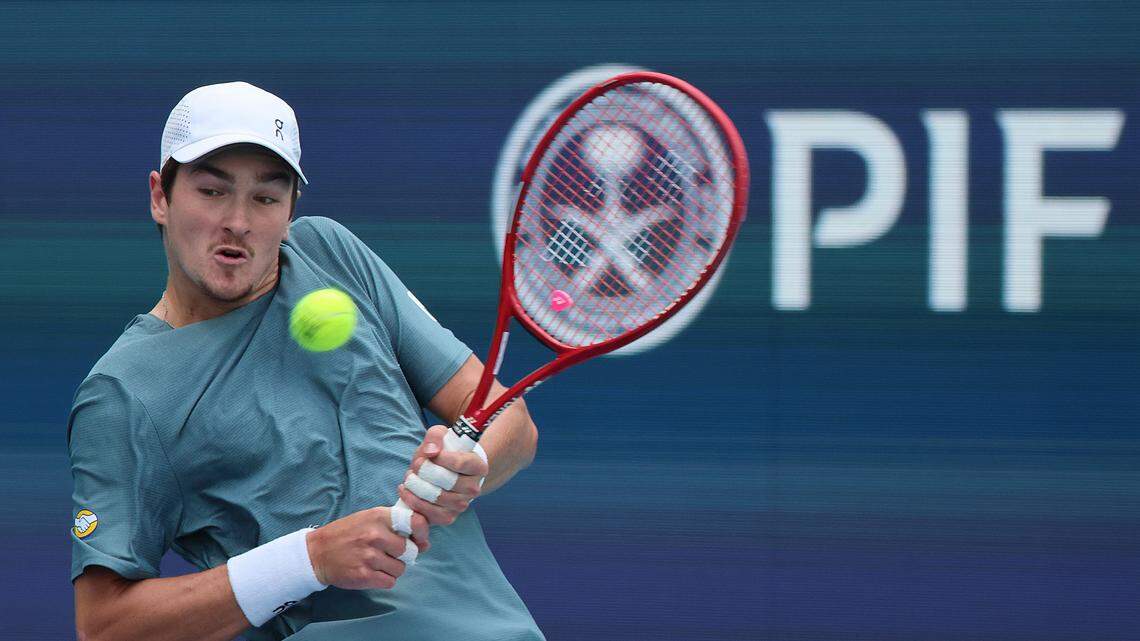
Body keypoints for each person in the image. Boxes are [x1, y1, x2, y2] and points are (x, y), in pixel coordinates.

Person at [67, 81, 543, 641]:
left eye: (266, 198)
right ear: (160, 198)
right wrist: (309, 559)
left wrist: (472, 467)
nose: (239, 221)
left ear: (291, 210)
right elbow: (104, 625)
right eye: (212, 192)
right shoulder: (122, 391)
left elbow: (506, 418)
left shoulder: (330, 253)